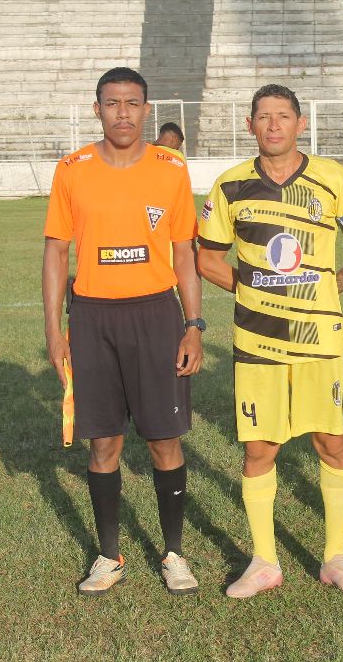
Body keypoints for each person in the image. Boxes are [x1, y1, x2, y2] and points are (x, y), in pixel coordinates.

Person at [197, 84, 343, 597]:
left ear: (301, 124)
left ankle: (335, 558)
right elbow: (207, 259)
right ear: (250, 125)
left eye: (283, 116)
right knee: (260, 450)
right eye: (263, 116)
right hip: (257, 340)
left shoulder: (334, 180)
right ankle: (264, 562)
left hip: (320, 339)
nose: (273, 124)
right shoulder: (230, 187)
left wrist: (329, 287)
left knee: (332, 443)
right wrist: (250, 290)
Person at [42, 67, 204, 596]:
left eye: (132, 103)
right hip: (92, 317)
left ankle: (173, 552)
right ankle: (109, 556)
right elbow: (56, 251)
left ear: (147, 110)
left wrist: (193, 325)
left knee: (164, 439)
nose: (123, 113)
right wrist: (54, 331)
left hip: (156, 315)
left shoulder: (170, 169)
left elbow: (185, 252)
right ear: (97, 110)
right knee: (104, 441)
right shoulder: (72, 169)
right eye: (112, 104)